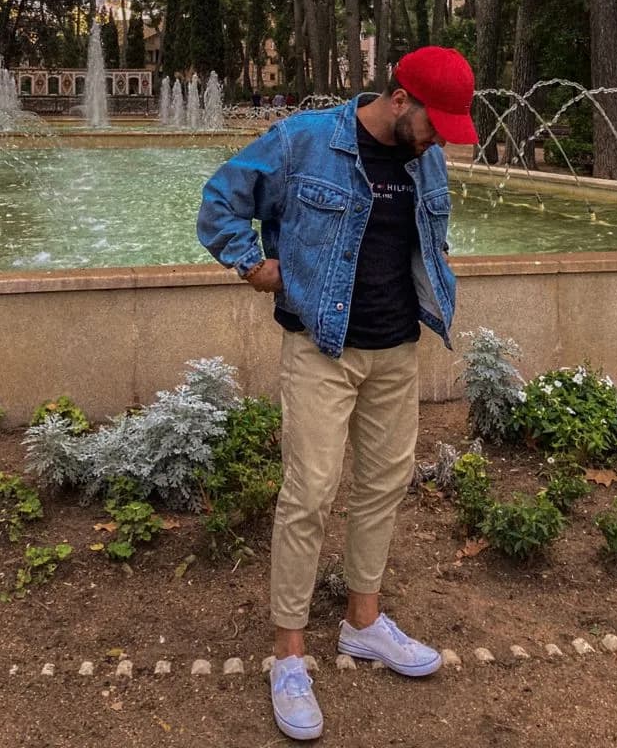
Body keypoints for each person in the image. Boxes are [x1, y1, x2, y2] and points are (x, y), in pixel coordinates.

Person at [197, 46, 477, 742]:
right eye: (436, 124)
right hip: (321, 348)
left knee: (383, 484)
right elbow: (220, 199)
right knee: (310, 493)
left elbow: (427, 236)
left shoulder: (424, 157)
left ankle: (363, 622)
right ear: (401, 99)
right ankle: (289, 655)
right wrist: (252, 263)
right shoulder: (304, 140)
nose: (441, 141)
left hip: (397, 347)